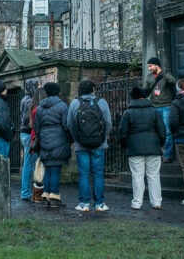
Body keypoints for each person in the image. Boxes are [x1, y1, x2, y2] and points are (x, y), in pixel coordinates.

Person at [67, 78, 113, 212]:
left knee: (83, 174)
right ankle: (100, 204)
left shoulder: (75, 103)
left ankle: (84, 203)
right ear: (93, 90)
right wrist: (103, 138)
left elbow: (70, 123)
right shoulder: (101, 102)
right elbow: (108, 122)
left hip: (81, 145)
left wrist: (77, 139)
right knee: (98, 174)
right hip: (99, 144)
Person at [118, 86, 166, 210]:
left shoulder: (128, 112)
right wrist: (160, 143)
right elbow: (162, 130)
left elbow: (122, 132)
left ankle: (137, 203)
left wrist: (126, 144)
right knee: (154, 175)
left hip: (134, 147)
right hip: (153, 145)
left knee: (137, 176)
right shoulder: (153, 111)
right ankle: (156, 202)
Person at [34, 81, 72, 208]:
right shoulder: (62, 106)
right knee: (55, 169)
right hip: (59, 140)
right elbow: (67, 125)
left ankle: (46, 195)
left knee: (48, 169)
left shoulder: (40, 107)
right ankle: (54, 197)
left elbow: (37, 126)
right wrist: (70, 139)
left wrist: (39, 140)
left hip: (44, 140)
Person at [144, 57, 177, 162]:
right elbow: (146, 91)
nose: (149, 68)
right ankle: (157, 153)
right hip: (154, 106)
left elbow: (173, 82)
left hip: (166, 106)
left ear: (156, 65)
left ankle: (167, 155)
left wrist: (163, 73)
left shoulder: (166, 74)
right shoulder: (149, 77)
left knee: (167, 131)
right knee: (154, 131)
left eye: (150, 66)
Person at [18, 78, 40, 202]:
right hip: (28, 134)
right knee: (28, 163)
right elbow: (29, 120)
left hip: (25, 134)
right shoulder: (29, 101)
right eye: (36, 85)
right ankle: (26, 192)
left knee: (30, 163)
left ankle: (29, 191)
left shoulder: (25, 99)